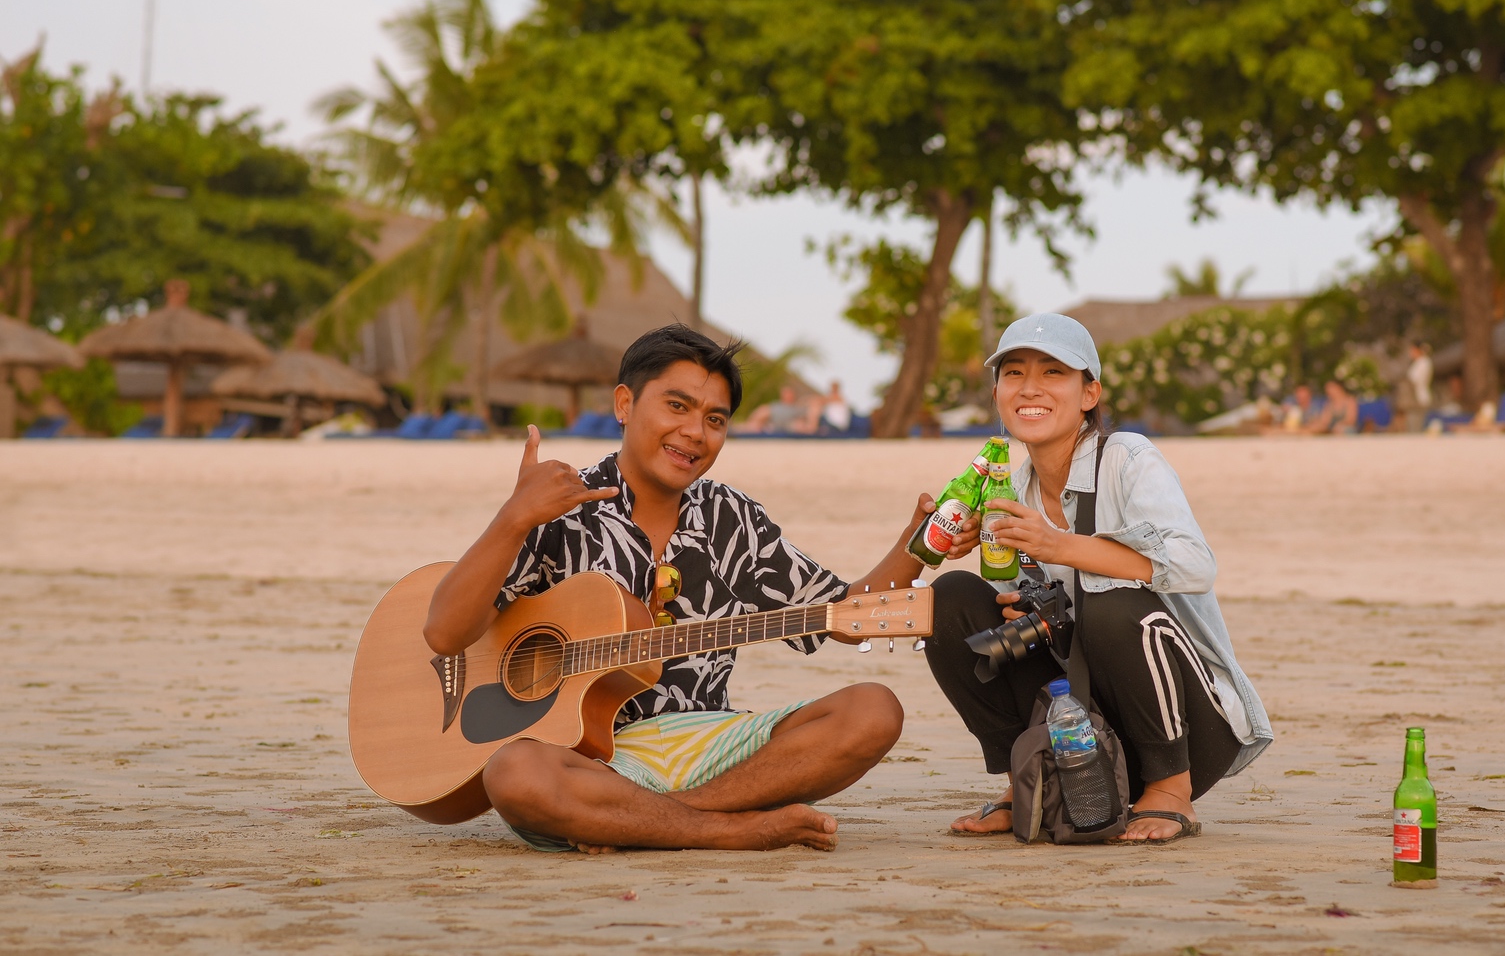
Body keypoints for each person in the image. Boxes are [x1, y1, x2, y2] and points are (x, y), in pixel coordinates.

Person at [422, 325, 975, 852]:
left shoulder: (732, 518)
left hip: (711, 746)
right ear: (624, 404)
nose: (695, 432)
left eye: (716, 418)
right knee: (516, 773)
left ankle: (653, 822)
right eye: (677, 406)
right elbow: (445, 632)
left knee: (873, 709)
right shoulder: (557, 508)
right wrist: (513, 519)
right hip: (589, 763)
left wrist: (918, 542)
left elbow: (846, 614)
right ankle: (728, 831)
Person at [924, 313, 1273, 842]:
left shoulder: (1127, 458)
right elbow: (1014, 618)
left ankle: (1170, 790)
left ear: (1090, 393)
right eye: (1013, 374)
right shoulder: (1009, 489)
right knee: (950, 600)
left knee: (1107, 598)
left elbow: (1196, 565)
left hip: (1183, 729)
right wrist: (1007, 591)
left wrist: (1061, 546)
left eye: (1053, 373)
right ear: (996, 394)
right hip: (1080, 727)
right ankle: (1027, 775)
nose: (1030, 388)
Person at [1403, 343, 1433, 433]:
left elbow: (1414, 380)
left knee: (1415, 426)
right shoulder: (1419, 363)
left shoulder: (1423, 362)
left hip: (1418, 399)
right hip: (1415, 399)